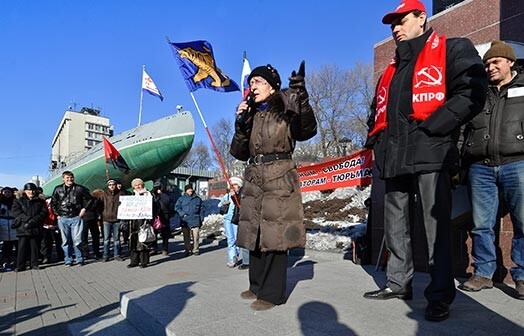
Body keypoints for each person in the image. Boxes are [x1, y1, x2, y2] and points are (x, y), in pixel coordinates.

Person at [362, 0, 487, 322]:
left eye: (402, 20)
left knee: (436, 228)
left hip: (431, 152)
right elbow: (376, 115)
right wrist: (376, 143)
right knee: (395, 226)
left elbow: (471, 93)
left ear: (422, 17)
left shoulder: (452, 49)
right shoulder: (391, 69)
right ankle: (397, 283)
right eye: (392, 24)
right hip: (393, 157)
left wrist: (434, 128)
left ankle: (440, 294)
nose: (396, 28)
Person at [230, 60, 317, 311]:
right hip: (255, 175)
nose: (252, 86)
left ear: (272, 86)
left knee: (275, 235)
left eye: (257, 82)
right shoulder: (252, 114)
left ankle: (272, 294)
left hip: (279, 173)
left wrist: (301, 98)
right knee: (255, 233)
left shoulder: (285, 106)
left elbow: (306, 130)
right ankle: (256, 285)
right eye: (250, 83)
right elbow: (238, 152)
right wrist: (240, 125)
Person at [459, 41, 524, 299]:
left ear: (510, 62)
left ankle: (521, 276)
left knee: (522, 222)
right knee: (481, 224)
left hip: (517, 163)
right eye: (487, 63)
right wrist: (460, 160)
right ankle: (484, 273)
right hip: (481, 168)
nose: (490, 67)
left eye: (496, 62)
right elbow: (464, 129)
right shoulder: (479, 94)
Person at [50, 171, 92, 267]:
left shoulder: (79, 188)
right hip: (63, 218)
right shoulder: (58, 189)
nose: (70, 179)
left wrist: (84, 209)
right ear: (63, 178)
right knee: (65, 241)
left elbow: (90, 199)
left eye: (71, 177)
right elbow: (53, 203)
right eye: (67, 178)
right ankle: (68, 259)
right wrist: (57, 215)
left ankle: (79, 258)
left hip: (76, 217)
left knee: (77, 240)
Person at [11, 183, 47, 271]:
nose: (31, 192)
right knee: (22, 247)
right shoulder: (18, 200)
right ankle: (20, 265)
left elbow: (44, 212)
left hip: (35, 227)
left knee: (34, 247)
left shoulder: (40, 201)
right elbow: (16, 212)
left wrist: (34, 220)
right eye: (29, 190)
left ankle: (34, 264)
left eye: (33, 190)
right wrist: (28, 219)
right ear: (25, 191)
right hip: (23, 227)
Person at [218, 176, 249, 269]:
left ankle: (236, 255)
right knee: (230, 239)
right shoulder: (227, 196)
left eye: (235, 185)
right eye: (232, 185)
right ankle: (232, 259)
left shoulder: (240, 195)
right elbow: (219, 205)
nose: (234, 186)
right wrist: (224, 203)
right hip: (228, 219)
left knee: (237, 239)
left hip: (236, 219)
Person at [127, 178, 153, 268]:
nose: (138, 186)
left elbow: (153, 206)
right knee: (133, 241)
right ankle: (134, 261)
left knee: (143, 240)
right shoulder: (131, 195)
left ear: (142, 185)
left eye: (139, 184)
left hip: (143, 220)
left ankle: (144, 261)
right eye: (135, 185)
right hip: (133, 221)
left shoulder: (148, 194)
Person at [175, 184, 202, 256]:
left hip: (195, 220)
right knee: (186, 237)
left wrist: (201, 220)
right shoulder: (181, 199)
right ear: (186, 191)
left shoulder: (198, 199)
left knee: (196, 236)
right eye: (188, 189)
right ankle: (188, 250)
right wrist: (182, 214)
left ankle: (196, 250)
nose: (190, 190)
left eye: (191, 189)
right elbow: (177, 208)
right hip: (185, 220)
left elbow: (201, 210)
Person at [101, 179, 124, 262]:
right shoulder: (104, 194)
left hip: (117, 219)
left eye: (113, 184)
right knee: (106, 239)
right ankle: (105, 255)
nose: (112, 186)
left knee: (116, 239)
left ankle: (117, 255)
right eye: (110, 185)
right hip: (106, 219)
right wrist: (102, 214)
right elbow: (100, 205)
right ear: (108, 186)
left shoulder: (121, 194)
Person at [40, 196, 64, 264]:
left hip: (55, 224)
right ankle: (46, 257)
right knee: (46, 242)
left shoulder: (56, 203)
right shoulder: (42, 203)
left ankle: (61, 255)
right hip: (45, 225)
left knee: (59, 241)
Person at [151, 182, 173, 256]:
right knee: (154, 233)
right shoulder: (152, 195)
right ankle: (154, 248)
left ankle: (165, 249)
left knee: (165, 234)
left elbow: (167, 202)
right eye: (156, 188)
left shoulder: (166, 195)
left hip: (164, 215)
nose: (157, 189)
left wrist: (161, 194)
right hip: (155, 216)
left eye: (159, 187)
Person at [81, 188, 103, 260]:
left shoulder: (82, 200)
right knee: (94, 236)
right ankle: (95, 252)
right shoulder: (95, 200)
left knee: (85, 237)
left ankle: (86, 253)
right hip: (91, 219)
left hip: (86, 219)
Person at [0, 187, 18, 270]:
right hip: (3, 223)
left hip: (13, 223)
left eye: (9, 192)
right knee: (6, 244)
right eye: (5, 192)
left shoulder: (15, 202)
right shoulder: (1, 202)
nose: (7, 194)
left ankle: (15, 259)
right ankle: (5, 260)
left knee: (15, 242)